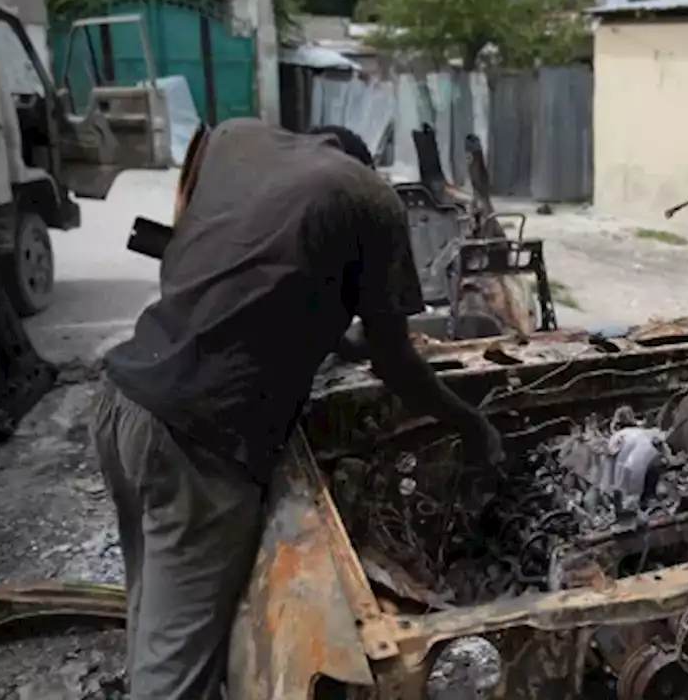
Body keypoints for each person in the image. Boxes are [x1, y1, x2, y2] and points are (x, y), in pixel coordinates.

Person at [89, 119, 504, 700]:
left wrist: (337, 342)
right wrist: (469, 423)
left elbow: (249, 275)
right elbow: (395, 361)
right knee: (175, 670)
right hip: (200, 446)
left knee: (155, 614)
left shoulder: (237, 140)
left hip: (122, 402)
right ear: (365, 162)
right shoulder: (367, 195)